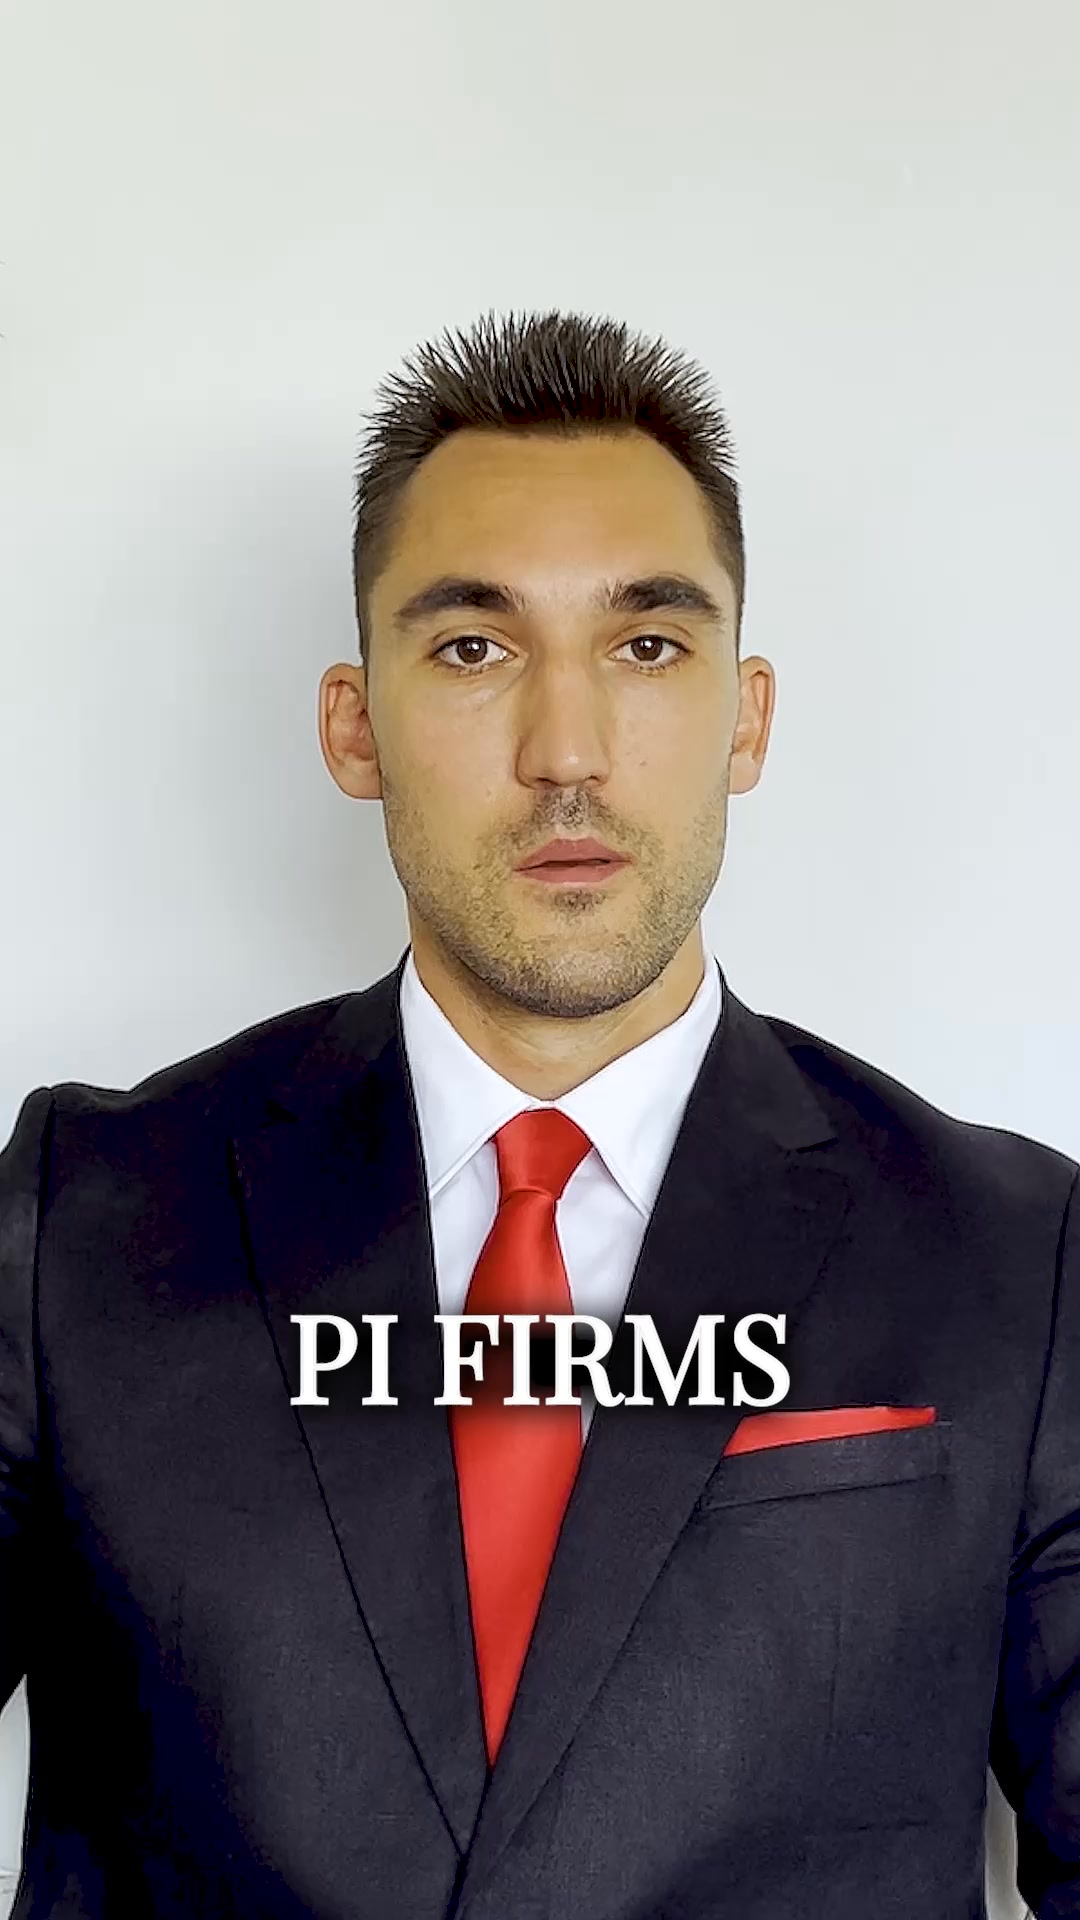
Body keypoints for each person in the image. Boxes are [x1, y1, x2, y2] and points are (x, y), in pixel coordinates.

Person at [1, 309, 1077, 1920]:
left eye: (646, 647)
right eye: (473, 648)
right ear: (354, 726)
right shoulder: (81, 1219)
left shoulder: (1020, 1255)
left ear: (748, 717)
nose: (565, 753)